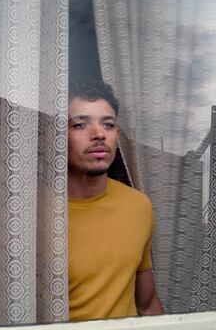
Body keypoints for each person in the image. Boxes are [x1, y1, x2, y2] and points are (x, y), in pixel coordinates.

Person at [66, 78, 164, 321]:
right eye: (80, 124)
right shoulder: (32, 214)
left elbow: (148, 305)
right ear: (57, 134)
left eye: (108, 125)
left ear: (117, 134)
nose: (99, 134)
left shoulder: (138, 207)